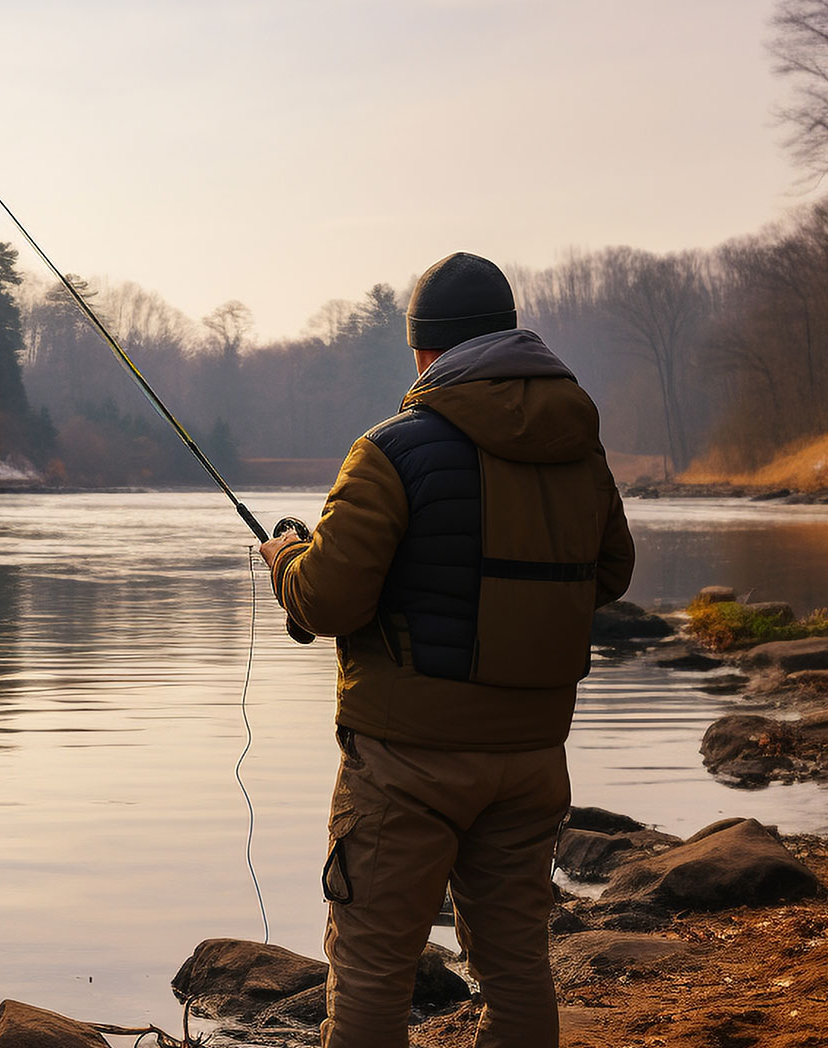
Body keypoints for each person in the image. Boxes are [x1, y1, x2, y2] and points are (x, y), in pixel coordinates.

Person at [256, 252, 635, 1048]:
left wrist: (287, 556)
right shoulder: (581, 450)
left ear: (425, 350)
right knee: (517, 966)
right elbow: (610, 574)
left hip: (406, 763)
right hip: (532, 756)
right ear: (509, 336)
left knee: (371, 972)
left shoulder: (391, 451)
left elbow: (325, 602)